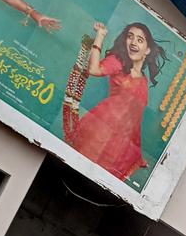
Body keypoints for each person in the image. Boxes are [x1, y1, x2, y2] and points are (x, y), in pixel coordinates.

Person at [70, 21, 166, 180]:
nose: (133, 42)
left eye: (140, 40)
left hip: (117, 145)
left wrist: (136, 153)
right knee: (75, 171)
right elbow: (93, 69)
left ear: (147, 50)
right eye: (130, 37)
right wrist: (100, 36)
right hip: (98, 130)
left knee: (95, 182)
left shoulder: (143, 82)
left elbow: (135, 121)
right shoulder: (118, 63)